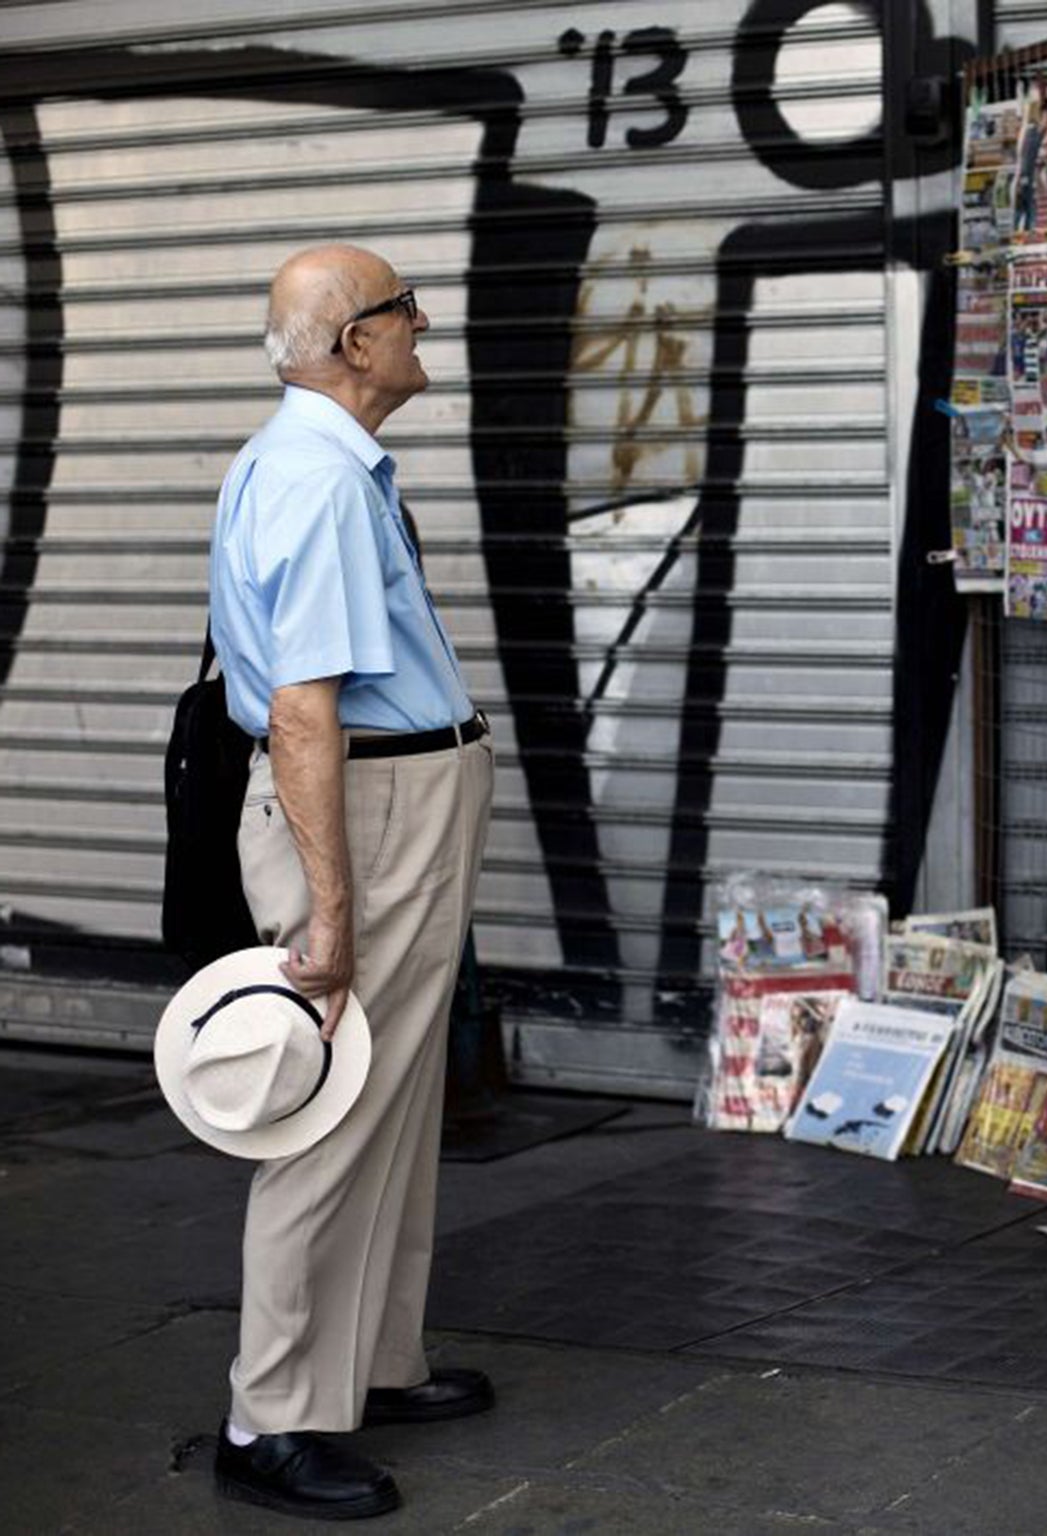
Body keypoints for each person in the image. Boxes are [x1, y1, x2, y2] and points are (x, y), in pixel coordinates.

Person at [207, 244, 496, 1519]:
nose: (425, 321)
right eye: (403, 306)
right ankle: (268, 1416)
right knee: (326, 1110)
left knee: (392, 1100)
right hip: (362, 807)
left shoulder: (329, 465)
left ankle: (365, 1365)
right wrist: (330, 912)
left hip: (397, 795)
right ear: (352, 345)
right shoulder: (318, 481)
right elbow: (304, 711)